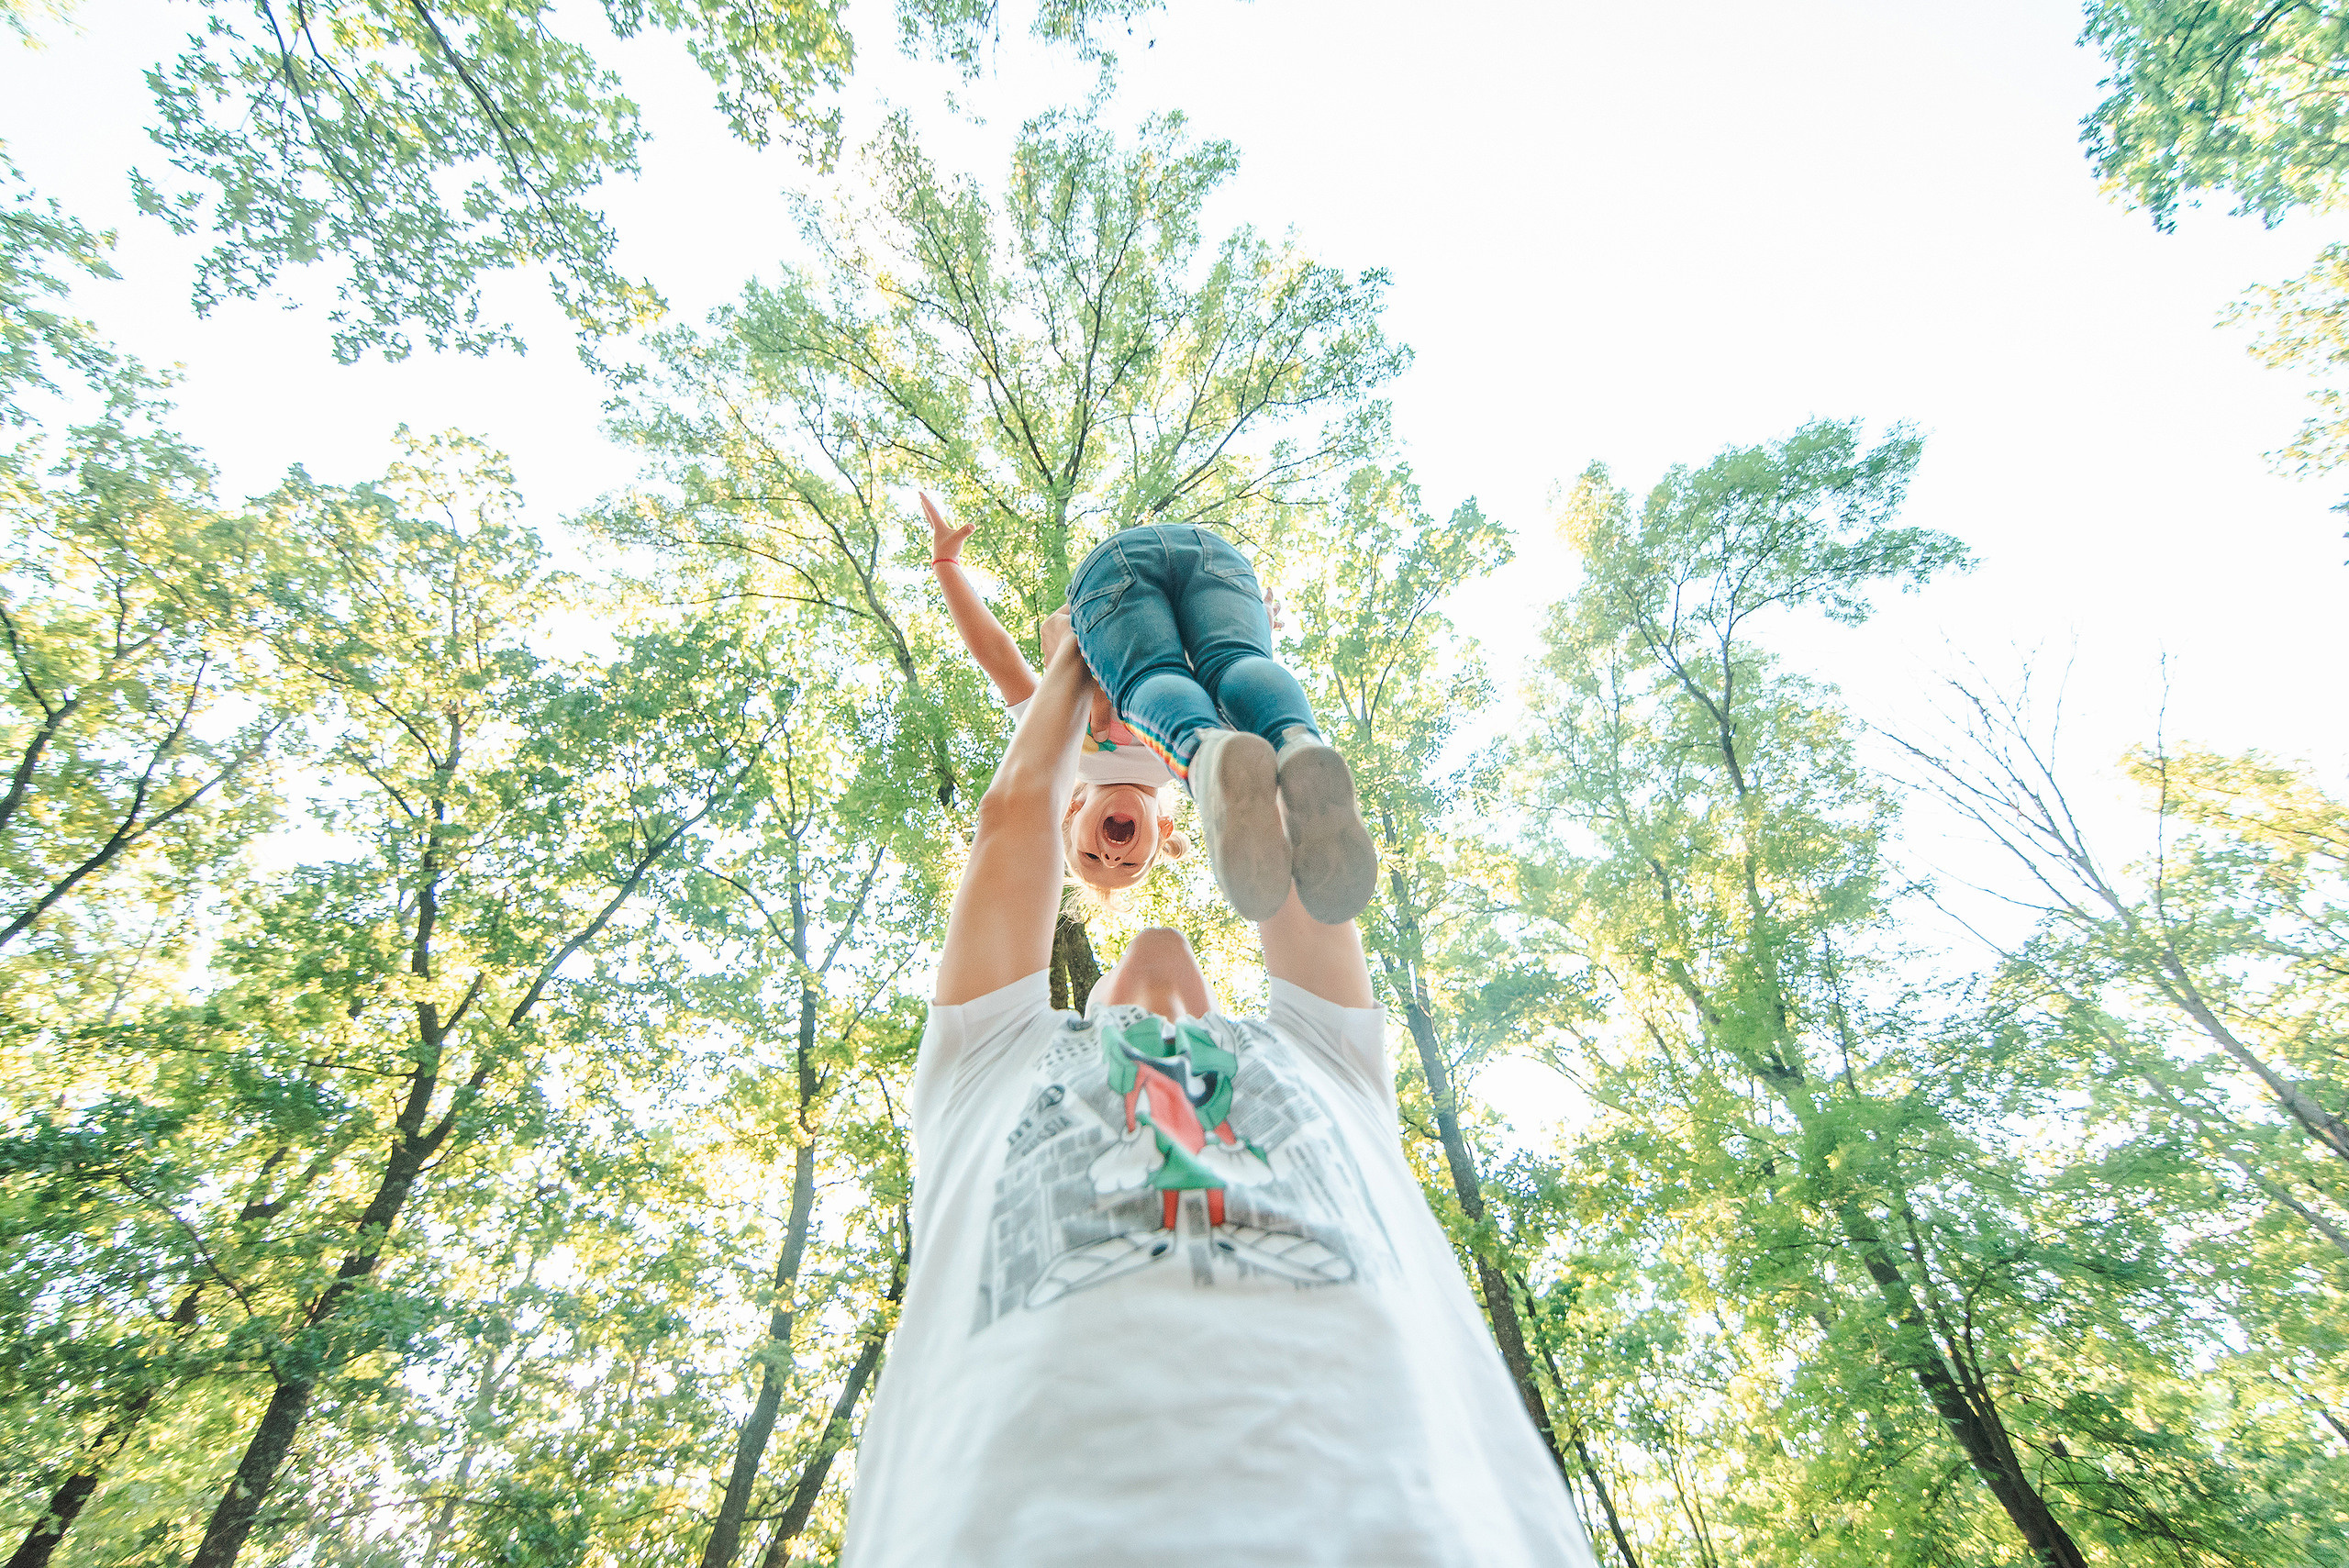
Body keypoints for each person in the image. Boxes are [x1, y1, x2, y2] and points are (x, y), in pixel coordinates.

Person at [837, 624, 1598, 1568]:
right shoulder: (1324, 1053)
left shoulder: (988, 1053)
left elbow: (1016, 812)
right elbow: (1285, 851)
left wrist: (1090, 649)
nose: (1169, 995)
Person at [927, 494, 1190, 905]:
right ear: (1163, 829)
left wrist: (946, 567)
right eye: (1129, 865)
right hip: (1177, 596)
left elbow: (997, 656)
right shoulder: (1187, 762)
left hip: (1104, 598)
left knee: (1064, 652)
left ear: (1071, 809)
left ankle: (1099, 608)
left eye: (1089, 855)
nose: (1110, 854)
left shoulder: (1062, 750)